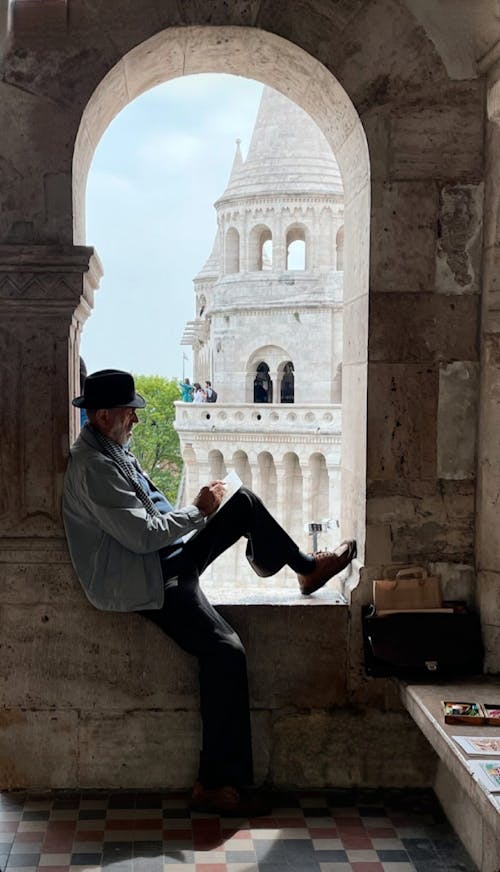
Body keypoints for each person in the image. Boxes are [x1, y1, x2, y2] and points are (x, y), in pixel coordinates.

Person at [63, 369, 356, 817]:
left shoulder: (112, 451)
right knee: (225, 652)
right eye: (129, 414)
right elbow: (142, 536)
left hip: (165, 559)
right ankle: (214, 783)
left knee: (243, 503)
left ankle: (304, 570)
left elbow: (155, 515)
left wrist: (204, 508)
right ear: (103, 416)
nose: (136, 422)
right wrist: (199, 512)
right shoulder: (94, 466)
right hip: (148, 578)